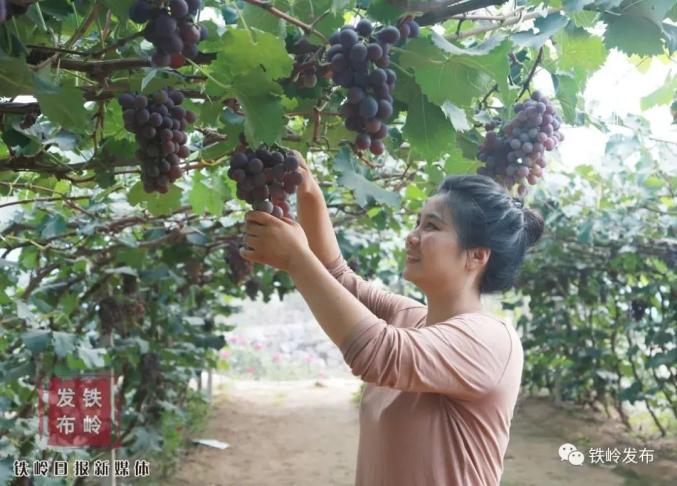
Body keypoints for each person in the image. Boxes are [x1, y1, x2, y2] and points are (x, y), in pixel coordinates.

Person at [239, 150, 545, 486]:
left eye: (432, 226)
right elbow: (337, 276)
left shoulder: (491, 340)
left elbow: (378, 353)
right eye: (417, 222)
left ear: (476, 256)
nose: (412, 236)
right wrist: (307, 189)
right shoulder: (411, 318)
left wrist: (296, 259)